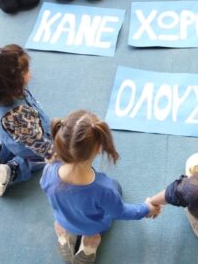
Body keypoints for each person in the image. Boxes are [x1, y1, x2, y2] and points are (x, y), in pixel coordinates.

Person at [40, 110, 160, 263]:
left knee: (62, 219)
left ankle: (64, 235)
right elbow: (121, 212)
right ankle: (89, 243)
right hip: (91, 226)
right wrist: (146, 208)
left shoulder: (49, 170)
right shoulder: (104, 190)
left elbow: (46, 189)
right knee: (117, 187)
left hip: (63, 218)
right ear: (98, 148)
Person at [0, 44, 53, 197]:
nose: (30, 72)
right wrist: (52, 153)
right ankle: (13, 170)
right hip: (26, 146)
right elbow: (35, 142)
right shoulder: (18, 114)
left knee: (10, 142)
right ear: (15, 84)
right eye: (26, 71)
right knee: (35, 159)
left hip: (9, 135)